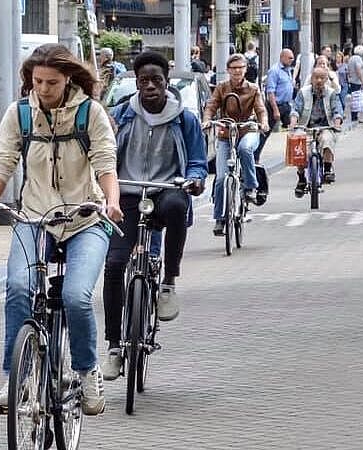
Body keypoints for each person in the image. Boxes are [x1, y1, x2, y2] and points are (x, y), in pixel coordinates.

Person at [0, 43, 122, 415]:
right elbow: (4, 161)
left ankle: (87, 371)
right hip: (36, 216)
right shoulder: (20, 113)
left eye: (52, 82)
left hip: (85, 216)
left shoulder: (90, 113)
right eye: (38, 81)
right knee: (18, 288)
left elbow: (105, 162)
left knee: (75, 297)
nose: (43, 89)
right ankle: (17, 377)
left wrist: (112, 201)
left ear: (68, 78)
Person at [100, 51, 207, 379]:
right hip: (128, 194)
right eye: (143, 80)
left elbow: (197, 161)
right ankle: (115, 346)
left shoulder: (184, 118)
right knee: (115, 264)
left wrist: (195, 180)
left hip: (166, 190)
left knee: (176, 207)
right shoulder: (120, 115)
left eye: (156, 80)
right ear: (136, 82)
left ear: (166, 82)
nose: (150, 87)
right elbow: (102, 152)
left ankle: (168, 283)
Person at [203, 53, 269, 232]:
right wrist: (207, 120)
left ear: (246, 69)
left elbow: (261, 110)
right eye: (233, 68)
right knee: (221, 178)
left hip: (248, 130)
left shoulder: (253, 89)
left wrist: (264, 123)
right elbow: (211, 106)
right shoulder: (221, 88)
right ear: (228, 71)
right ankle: (219, 218)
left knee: (245, 148)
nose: (237, 71)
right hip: (226, 134)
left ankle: (250, 188)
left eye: (240, 67)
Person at [290, 67, 343, 195]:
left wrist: (337, 123)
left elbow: (337, 110)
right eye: (316, 77)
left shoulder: (332, 94)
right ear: (311, 79)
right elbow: (296, 109)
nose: (319, 80)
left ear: (326, 80)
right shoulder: (303, 92)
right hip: (305, 127)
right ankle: (301, 178)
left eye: (322, 78)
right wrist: (293, 123)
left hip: (326, 127)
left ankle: (328, 169)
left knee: (327, 139)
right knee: (299, 146)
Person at [265, 48, 296, 132]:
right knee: (271, 132)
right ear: (282, 57)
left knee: (289, 131)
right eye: (290, 58)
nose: (292, 60)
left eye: (292, 58)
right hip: (276, 106)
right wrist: (275, 110)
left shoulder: (288, 70)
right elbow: (270, 92)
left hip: (286, 106)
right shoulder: (274, 71)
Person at [347, 45, 363, 122]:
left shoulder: (351, 58)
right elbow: (358, 69)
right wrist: (362, 80)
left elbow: (348, 70)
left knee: (354, 98)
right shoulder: (358, 59)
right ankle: (355, 116)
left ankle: (354, 115)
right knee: (357, 98)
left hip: (352, 80)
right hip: (356, 81)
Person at [336, 52, 350, 118]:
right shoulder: (333, 65)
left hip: (344, 84)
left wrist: (349, 82)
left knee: (342, 98)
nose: (338, 58)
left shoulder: (345, 65)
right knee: (338, 100)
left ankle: (342, 112)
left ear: (342, 58)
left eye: (339, 57)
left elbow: (348, 74)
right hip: (336, 85)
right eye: (337, 57)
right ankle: (340, 113)